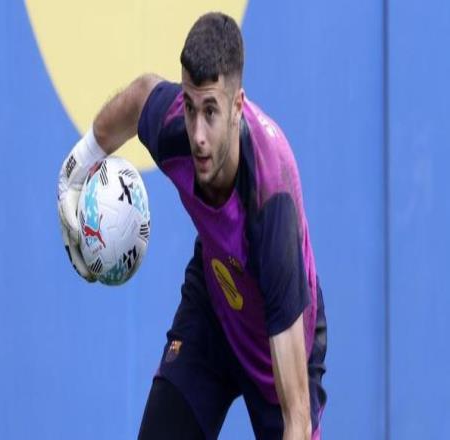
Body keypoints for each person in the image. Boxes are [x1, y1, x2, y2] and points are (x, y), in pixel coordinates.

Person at [57, 12, 327, 440]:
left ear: (237, 107)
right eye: (190, 107)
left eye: (211, 111)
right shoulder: (177, 128)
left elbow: (297, 416)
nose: (198, 134)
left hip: (276, 351)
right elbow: (140, 96)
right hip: (216, 303)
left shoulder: (271, 204)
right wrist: (75, 169)